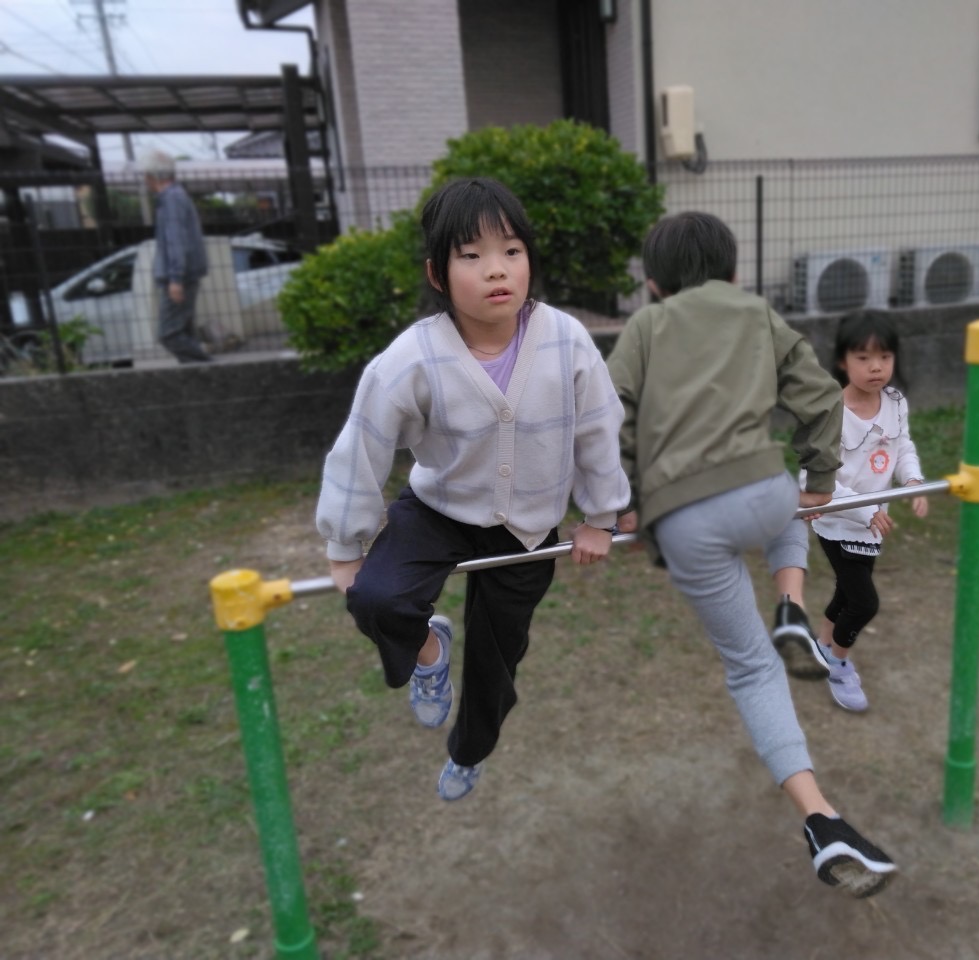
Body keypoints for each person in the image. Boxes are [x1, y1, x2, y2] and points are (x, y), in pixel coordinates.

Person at [607, 211, 897, 898]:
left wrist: (621, 502)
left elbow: (608, 415)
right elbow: (821, 399)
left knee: (750, 668)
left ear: (653, 284)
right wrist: (821, 476)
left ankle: (820, 816)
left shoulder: (645, 326)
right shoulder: (757, 312)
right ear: (734, 272)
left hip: (684, 517)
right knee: (792, 504)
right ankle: (791, 604)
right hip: (763, 489)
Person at [316, 177, 630, 802]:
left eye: (511, 251)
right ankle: (429, 653)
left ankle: (469, 751)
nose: (496, 270)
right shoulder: (413, 357)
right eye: (471, 255)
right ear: (438, 273)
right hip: (440, 510)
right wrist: (346, 545)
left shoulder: (566, 340)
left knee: (496, 662)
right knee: (375, 599)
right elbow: (362, 444)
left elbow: (598, 429)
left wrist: (601, 517)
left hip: (528, 526)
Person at [800, 310, 929, 713]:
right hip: (838, 520)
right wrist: (867, 511)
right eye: (863, 357)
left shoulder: (895, 402)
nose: (876, 367)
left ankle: (824, 644)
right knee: (863, 602)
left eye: (885, 357)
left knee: (847, 590)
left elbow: (902, 446)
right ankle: (838, 664)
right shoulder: (830, 414)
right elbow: (813, 480)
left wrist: (913, 480)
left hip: (872, 522)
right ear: (843, 361)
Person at [142, 150, 214, 363]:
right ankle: (201, 371)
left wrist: (175, 278)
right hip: (184, 274)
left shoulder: (171, 199)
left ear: (153, 176)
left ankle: (208, 369)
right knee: (183, 331)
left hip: (178, 277)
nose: (144, 179)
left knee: (169, 334)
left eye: (146, 174)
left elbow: (176, 241)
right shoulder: (176, 196)